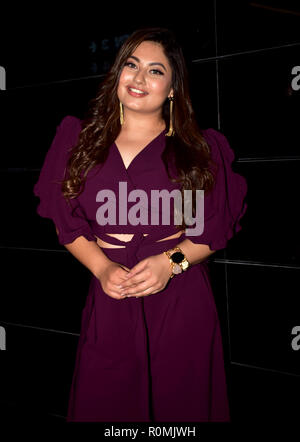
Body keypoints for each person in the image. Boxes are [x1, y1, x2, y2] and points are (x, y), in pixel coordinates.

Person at [33, 27, 248, 422]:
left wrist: (171, 263)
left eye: (155, 70)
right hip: (111, 298)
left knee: (181, 412)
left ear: (171, 88)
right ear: (118, 73)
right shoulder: (77, 141)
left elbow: (212, 232)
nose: (138, 78)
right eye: (131, 65)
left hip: (181, 302)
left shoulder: (196, 149)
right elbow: (67, 224)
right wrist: (102, 268)